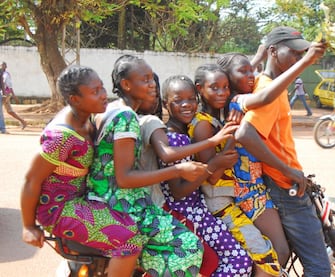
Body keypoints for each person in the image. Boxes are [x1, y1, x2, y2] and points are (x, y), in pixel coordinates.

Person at [20, 64, 147, 277]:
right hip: (59, 209)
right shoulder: (62, 137)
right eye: (95, 92)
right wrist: (28, 226)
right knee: (130, 240)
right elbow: (31, 179)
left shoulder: (86, 117)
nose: (104, 95)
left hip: (83, 198)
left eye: (102, 87)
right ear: (75, 99)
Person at [86, 54, 207, 276]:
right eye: (146, 79)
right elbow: (124, 177)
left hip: (100, 195)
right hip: (122, 203)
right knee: (188, 245)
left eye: (152, 78)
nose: (152, 84)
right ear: (126, 84)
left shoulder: (108, 110)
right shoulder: (126, 117)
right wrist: (178, 169)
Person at [235, 26, 331, 277]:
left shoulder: (265, 83)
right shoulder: (269, 89)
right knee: (319, 268)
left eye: (302, 55)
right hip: (286, 186)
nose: (299, 59)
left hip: (281, 181)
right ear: (274, 51)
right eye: (295, 54)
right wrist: (288, 170)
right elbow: (246, 134)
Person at [189, 64, 281, 276]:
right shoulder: (203, 125)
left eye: (225, 87)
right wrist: (232, 136)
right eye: (215, 88)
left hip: (229, 199)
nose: (222, 93)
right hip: (218, 203)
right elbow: (212, 177)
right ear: (200, 89)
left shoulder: (218, 119)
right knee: (265, 254)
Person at [159, 74, 253, 276]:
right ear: (165, 104)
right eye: (178, 100)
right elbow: (178, 192)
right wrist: (213, 165)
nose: (187, 105)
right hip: (188, 212)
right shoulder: (175, 139)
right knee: (239, 261)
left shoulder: (186, 133)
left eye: (191, 99)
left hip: (197, 208)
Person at [217, 52, 291, 271]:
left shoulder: (233, 100)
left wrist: (258, 55)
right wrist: (302, 65)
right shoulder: (238, 102)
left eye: (253, 71)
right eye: (244, 72)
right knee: (280, 249)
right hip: (248, 191)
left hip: (253, 186)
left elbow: (242, 71)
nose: (252, 76)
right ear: (228, 78)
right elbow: (265, 96)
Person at [1, 61, 27, 129]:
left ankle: (2, 127)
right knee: (9, 111)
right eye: (1, 65)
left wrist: (14, 95)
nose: (2, 67)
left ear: (5, 67)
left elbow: (9, 86)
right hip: (4, 94)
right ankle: (23, 122)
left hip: (5, 94)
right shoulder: (1, 74)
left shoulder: (6, 75)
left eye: (3, 65)